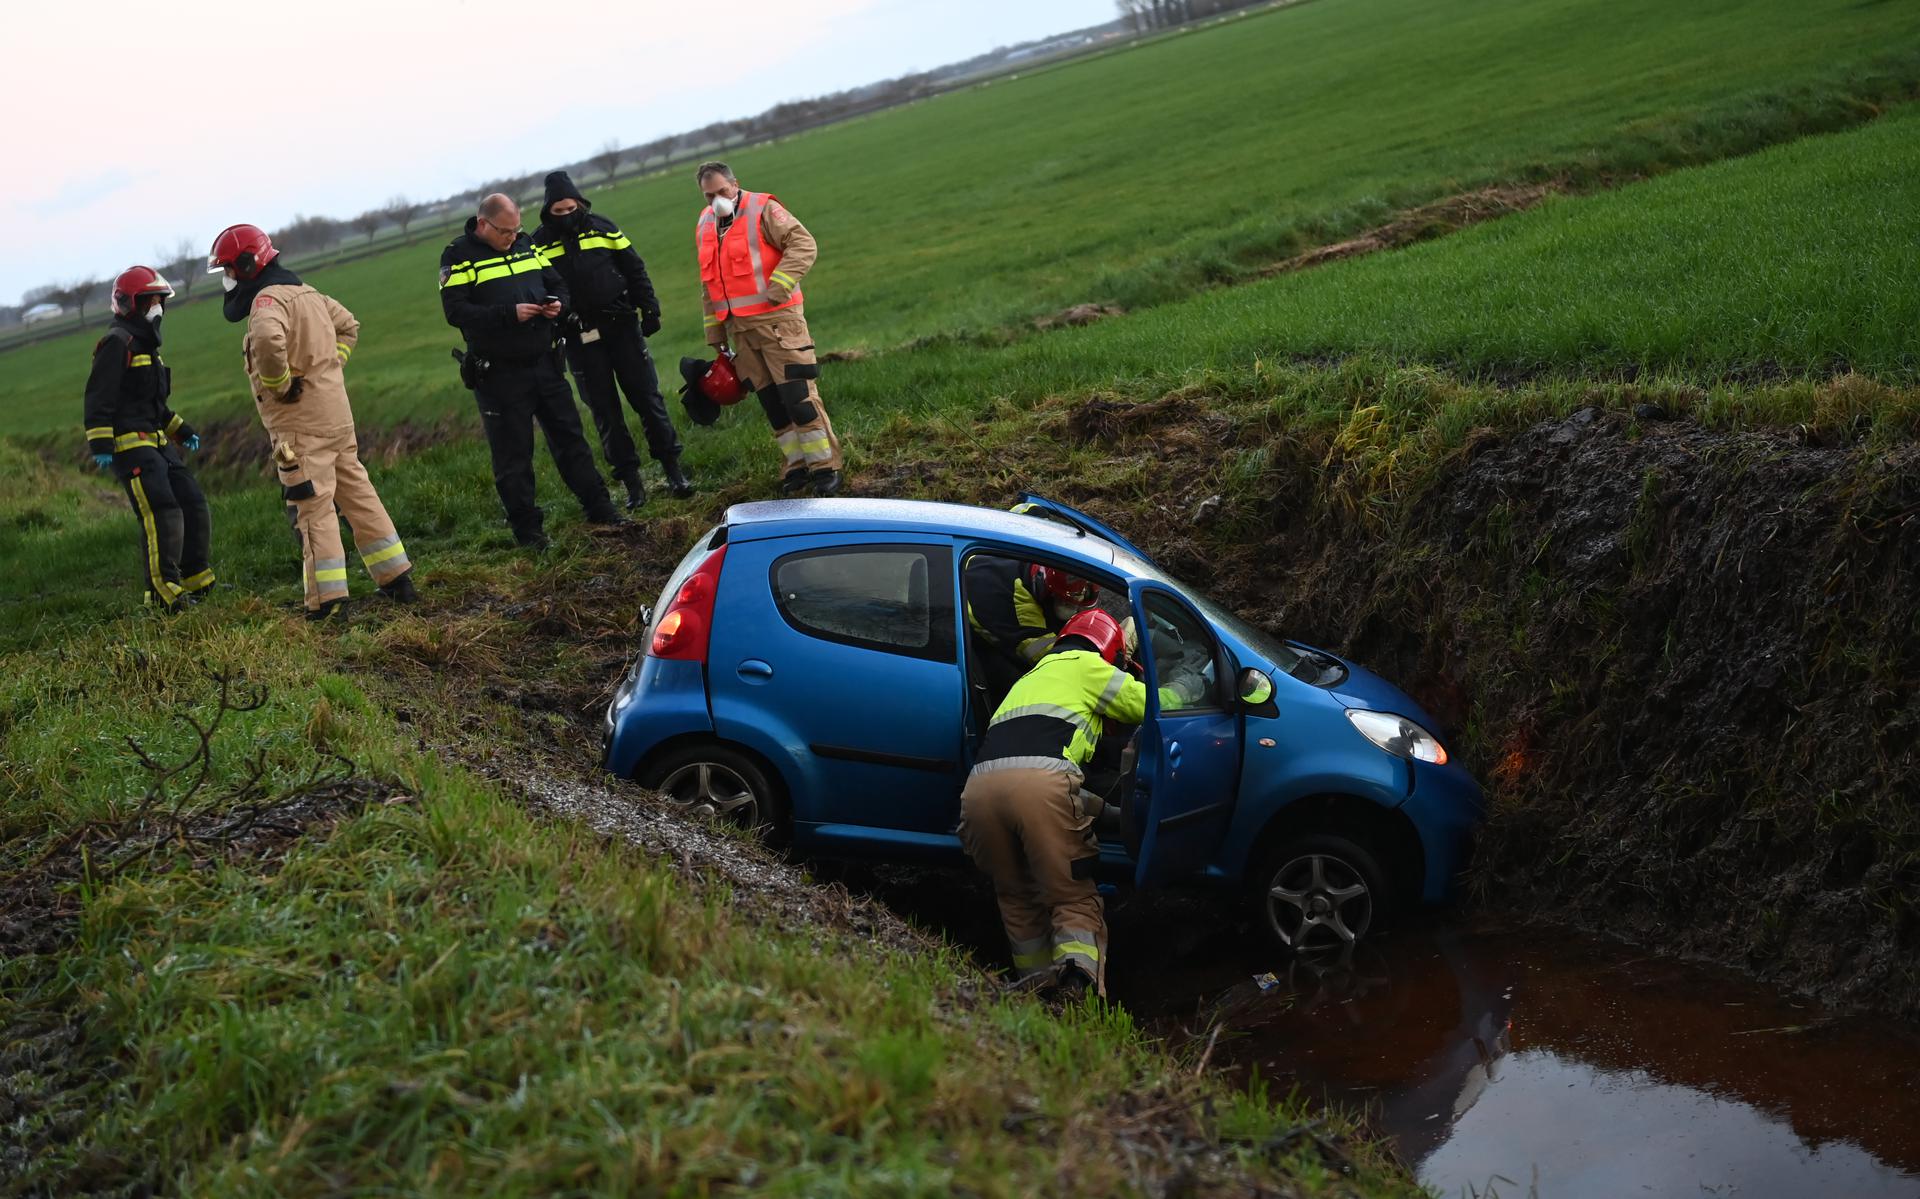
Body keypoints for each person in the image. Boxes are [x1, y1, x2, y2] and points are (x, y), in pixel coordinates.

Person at [958, 608, 1201, 1002]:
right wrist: (1190, 682)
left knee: (1017, 898)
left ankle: (1036, 993)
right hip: (1040, 789)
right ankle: (1078, 991)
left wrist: (1108, 814)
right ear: (1110, 652)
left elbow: (1031, 773)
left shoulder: (1031, 676)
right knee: (1071, 898)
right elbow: (1156, 706)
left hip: (979, 792)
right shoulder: (1088, 667)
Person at [210, 223, 417, 621]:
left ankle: (328, 602)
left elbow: (269, 341)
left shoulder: (267, 303)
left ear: (247, 266)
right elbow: (349, 326)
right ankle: (397, 579)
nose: (227, 279)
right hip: (337, 420)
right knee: (359, 496)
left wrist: (280, 384)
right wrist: (331, 365)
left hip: (300, 429)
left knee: (314, 509)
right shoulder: (309, 293)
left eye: (229, 270)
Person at [441, 193, 625, 549]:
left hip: (545, 363)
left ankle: (600, 508)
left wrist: (558, 304)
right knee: (514, 456)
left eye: (516, 230)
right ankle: (529, 534)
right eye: (505, 232)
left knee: (572, 440)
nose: (513, 237)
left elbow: (556, 283)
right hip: (499, 375)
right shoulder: (457, 256)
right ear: (483, 225)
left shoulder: (525, 245)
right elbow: (456, 311)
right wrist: (509, 314)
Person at [531, 171, 693, 508]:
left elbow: (635, 268)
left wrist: (650, 309)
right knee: (605, 412)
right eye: (558, 212)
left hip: (622, 327)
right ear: (548, 212)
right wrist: (562, 319)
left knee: (648, 400)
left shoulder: (604, 227)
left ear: (579, 203)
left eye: (570, 208)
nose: (566, 216)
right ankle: (633, 484)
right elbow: (538, 291)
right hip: (579, 338)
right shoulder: (537, 244)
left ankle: (673, 470)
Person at [693, 161, 843, 497]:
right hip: (742, 332)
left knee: (798, 399)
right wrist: (715, 333)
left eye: (722, 191)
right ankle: (797, 466)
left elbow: (804, 245)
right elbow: (709, 284)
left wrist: (782, 284)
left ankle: (825, 467)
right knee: (773, 407)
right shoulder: (705, 224)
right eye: (709, 195)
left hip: (780, 324)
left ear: (735, 184)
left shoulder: (763, 209)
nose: (717, 199)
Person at [82, 266, 214, 609]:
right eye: (150, 301)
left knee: (192, 502)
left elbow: (153, 406)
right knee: (162, 511)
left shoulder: (148, 348)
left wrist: (182, 430)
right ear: (130, 304)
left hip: (157, 443)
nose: (157, 307)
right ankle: (162, 593)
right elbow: (99, 398)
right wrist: (101, 444)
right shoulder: (116, 343)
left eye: (160, 301)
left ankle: (198, 581)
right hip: (130, 447)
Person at [963, 555, 1098, 709]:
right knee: (1018, 683)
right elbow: (1053, 659)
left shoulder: (1036, 564)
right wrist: (1100, 654)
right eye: (1067, 604)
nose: (1075, 612)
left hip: (972, 570)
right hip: (961, 631)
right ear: (1049, 594)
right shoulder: (1021, 606)